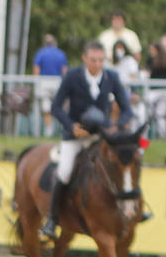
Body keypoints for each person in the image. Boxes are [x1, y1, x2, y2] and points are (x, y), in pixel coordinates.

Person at [40, 41, 134, 239]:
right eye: (93, 60)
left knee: (124, 164)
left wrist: (116, 127)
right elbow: (56, 107)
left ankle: (132, 208)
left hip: (101, 136)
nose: (97, 64)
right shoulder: (72, 76)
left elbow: (127, 109)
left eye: (101, 60)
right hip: (76, 136)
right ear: (85, 58)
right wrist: (71, 126)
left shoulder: (111, 77)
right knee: (64, 172)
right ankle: (52, 220)